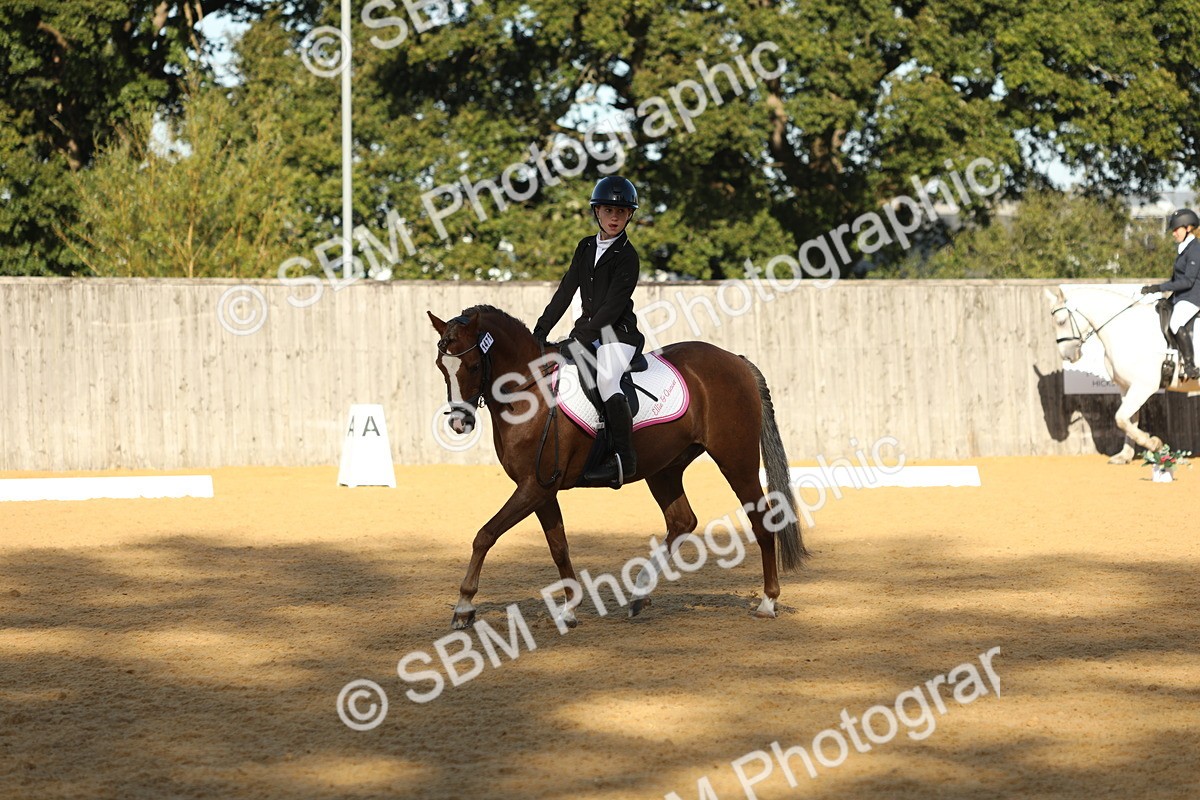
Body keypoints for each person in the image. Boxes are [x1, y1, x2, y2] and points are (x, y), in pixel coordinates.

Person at [533, 176, 645, 486]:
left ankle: (625, 458)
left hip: (618, 335)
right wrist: (541, 330)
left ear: (629, 216)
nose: (614, 218)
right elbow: (566, 290)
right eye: (608, 210)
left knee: (608, 379)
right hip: (588, 331)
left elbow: (611, 307)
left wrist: (580, 339)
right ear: (596, 211)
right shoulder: (585, 247)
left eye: (621, 212)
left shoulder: (628, 256)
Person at [1142, 208, 1200, 380]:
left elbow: (1188, 281)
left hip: (1194, 297)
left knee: (1175, 322)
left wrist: (1160, 286)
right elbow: (1177, 278)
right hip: (1181, 297)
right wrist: (1161, 293)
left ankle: (1190, 366)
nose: (1173, 234)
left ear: (1188, 228)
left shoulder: (1195, 249)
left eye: (1176, 229)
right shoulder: (1184, 249)